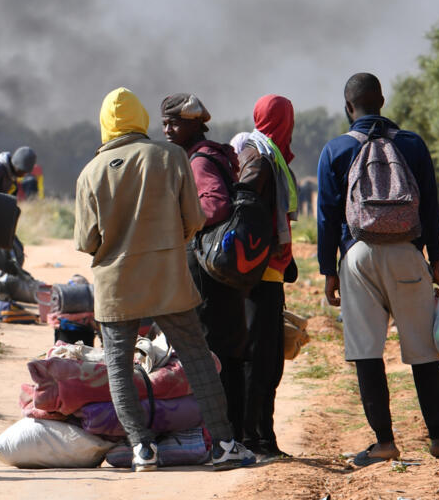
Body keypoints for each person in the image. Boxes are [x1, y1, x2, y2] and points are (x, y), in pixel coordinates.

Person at [74, 87, 255, 472]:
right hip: (168, 278)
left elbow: (86, 241)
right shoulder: (171, 157)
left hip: (116, 285)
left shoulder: (90, 172)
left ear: (105, 124)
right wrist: (168, 244)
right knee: (196, 358)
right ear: (141, 118)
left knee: (119, 367)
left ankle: (142, 449)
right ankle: (224, 445)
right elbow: (195, 219)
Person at [316, 72, 439, 466]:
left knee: (366, 352)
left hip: (357, 258)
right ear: (382, 101)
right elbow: (430, 207)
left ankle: (384, 444)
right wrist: (436, 262)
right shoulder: (412, 144)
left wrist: (329, 271)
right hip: (407, 254)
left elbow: (327, 217)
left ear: (348, 107)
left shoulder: (335, 149)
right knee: (424, 351)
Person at [160, 93, 250, 445]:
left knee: (214, 354)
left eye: (174, 123)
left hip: (207, 274)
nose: (167, 130)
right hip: (220, 270)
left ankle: (222, 437)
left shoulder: (199, 161)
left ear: (195, 124)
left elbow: (215, 204)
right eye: (165, 123)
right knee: (228, 352)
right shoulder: (211, 154)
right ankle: (233, 435)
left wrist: (180, 223)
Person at [235, 94, 299, 460]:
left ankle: (263, 436)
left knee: (269, 359)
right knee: (260, 360)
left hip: (266, 272)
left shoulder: (264, 154)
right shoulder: (260, 158)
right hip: (259, 275)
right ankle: (255, 439)